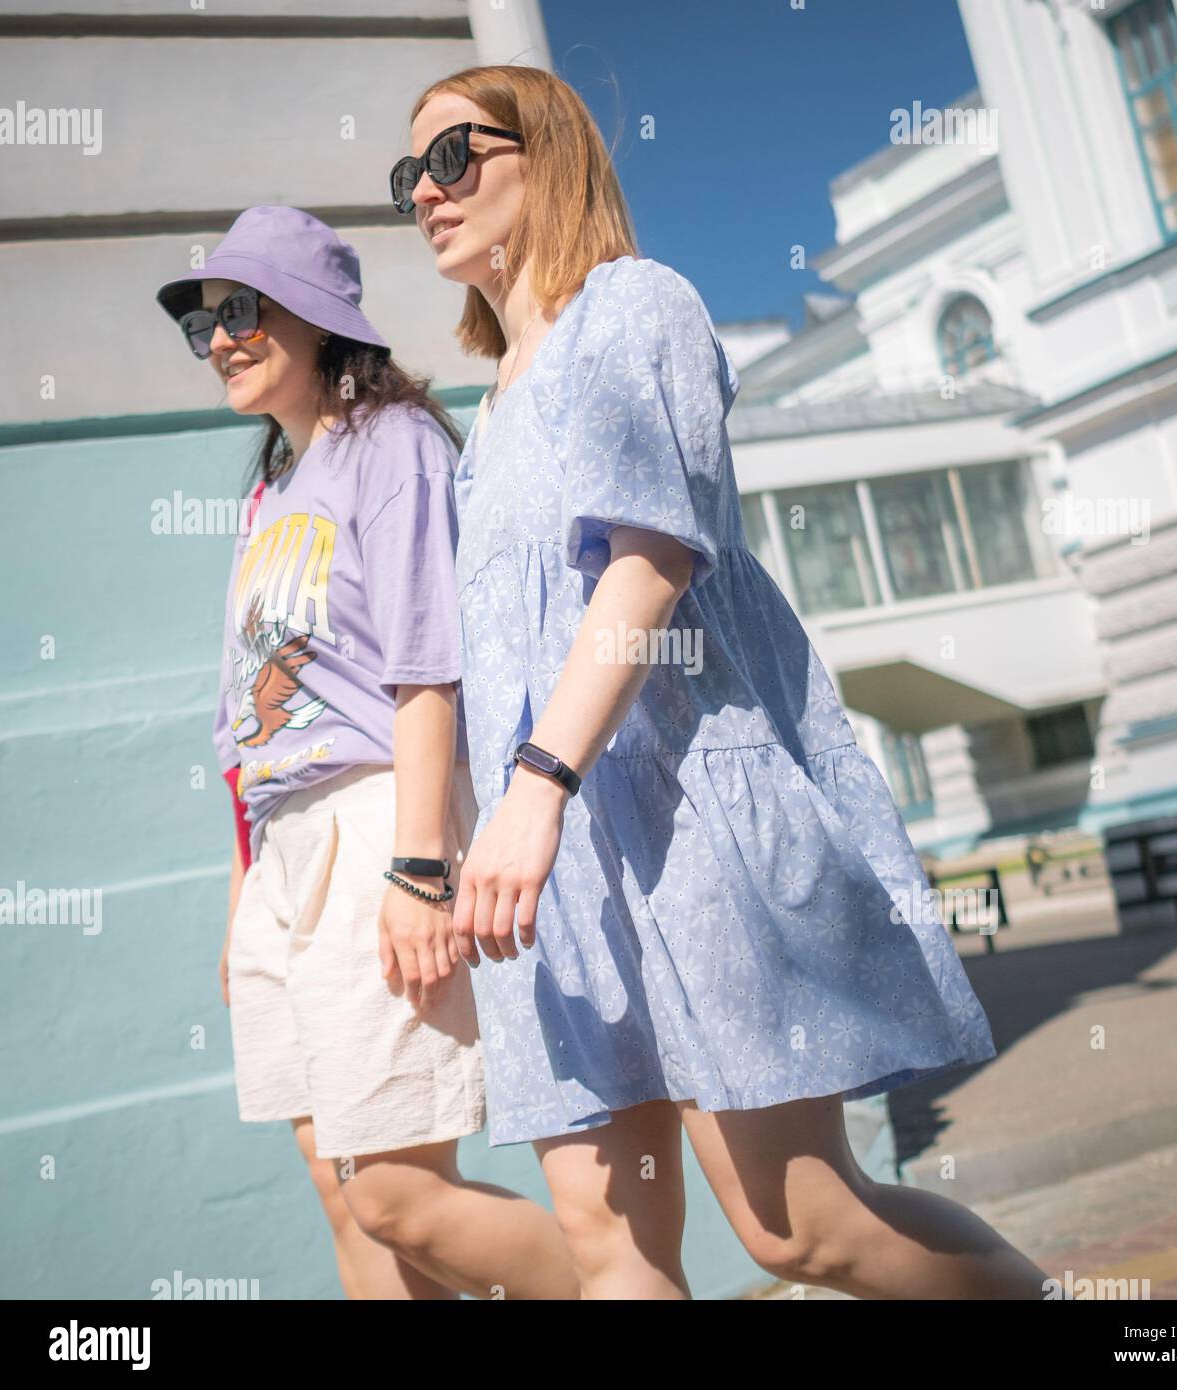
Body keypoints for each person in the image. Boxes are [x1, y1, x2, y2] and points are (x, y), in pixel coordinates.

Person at [392, 67, 1052, 1300]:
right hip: (557, 869)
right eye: (406, 176)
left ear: (550, 155)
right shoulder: (485, 418)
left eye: (452, 158)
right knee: (605, 1241)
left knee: (796, 1228)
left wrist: (534, 784)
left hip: (681, 815)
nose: (425, 194)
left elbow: (649, 563)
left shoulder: (632, 308)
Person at [155, 205, 578, 1300]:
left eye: (242, 311)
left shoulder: (390, 446)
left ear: (317, 317)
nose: (221, 340)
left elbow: (426, 670)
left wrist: (420, 864)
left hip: (377, 817)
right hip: (281, 846)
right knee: (333, 1174)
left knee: (394, 1186)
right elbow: (244, 723)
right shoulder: (267, 489)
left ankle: (621, 1286)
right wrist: (244, 894)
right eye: (205, 323)